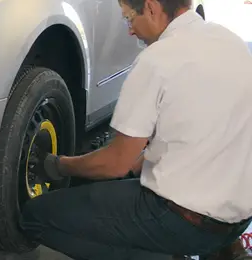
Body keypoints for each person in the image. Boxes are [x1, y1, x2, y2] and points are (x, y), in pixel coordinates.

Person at [19, 0, 252, 259]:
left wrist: (59, 165)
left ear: (151, 8)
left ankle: (166, 255)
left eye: (129, 18)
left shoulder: (157, 59)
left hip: (183, 220)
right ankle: (223, 250)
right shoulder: (230, 42)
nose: (130, 30)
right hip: (238, 218)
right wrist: (133, 166)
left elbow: (114, 164)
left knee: (35, 218)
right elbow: (198, 130)